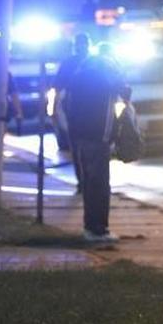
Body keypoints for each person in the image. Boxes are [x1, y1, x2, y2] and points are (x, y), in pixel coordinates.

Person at [66, 43, 127, 244]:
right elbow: (122, 91)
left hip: (83, 137)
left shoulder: (79, 78)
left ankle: (93, 227)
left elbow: (67, 106)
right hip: (97, 138)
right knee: (99, 186)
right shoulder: (101, 80)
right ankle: (97, 229)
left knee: (92, 184)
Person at [54, 33, 91, 191]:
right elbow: (57, 87)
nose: (81, 47)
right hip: (76, 110)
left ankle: (85, 181)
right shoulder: (71, 63)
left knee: (82, 148)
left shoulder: (93, 62)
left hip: (85, 110)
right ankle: (84, 182)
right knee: (78, 147)